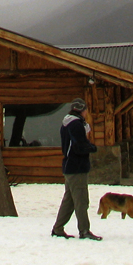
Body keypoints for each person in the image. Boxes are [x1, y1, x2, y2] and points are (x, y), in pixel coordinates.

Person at [51, 98, 102, 240]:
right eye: (86, 110)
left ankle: (58, 228)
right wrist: (92, 147)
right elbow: (79, 147)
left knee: (69, 200)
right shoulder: (76, 125)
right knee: (81, 200)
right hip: (77, 167)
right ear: (82, 110)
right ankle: (84, 230)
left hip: (69, 166)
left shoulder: (67, 124)